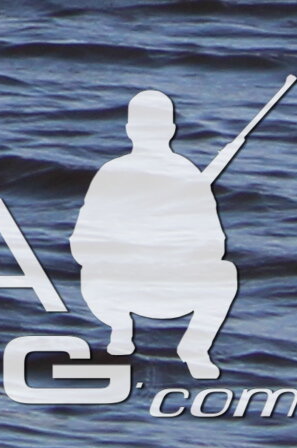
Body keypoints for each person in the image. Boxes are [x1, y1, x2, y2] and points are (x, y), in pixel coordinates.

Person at [75, 89, 241, 380]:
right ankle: (126, 331)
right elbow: (216, 246)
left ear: (129, 130)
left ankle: (185, 346)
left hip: (147, 289)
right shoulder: (122, 173)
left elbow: (81, 244)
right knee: (225, 273)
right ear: (171, 130)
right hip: (137, 287)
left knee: (224, 271)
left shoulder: (119, 172)